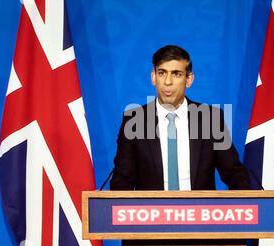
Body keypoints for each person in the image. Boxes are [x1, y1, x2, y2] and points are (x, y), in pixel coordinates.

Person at [110, 45, 261, 191]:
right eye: (162, 73)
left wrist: (248, 206)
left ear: (189, 79)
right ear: (153, 77)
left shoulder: (210, 119)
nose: (168, 82)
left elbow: (234, 174)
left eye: (176, 74)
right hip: (151, 215)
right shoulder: (134, 121)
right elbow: (122, 180)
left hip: (200, 214)